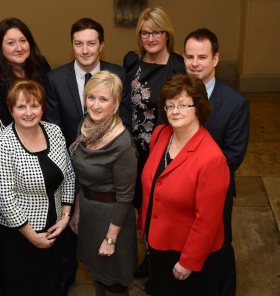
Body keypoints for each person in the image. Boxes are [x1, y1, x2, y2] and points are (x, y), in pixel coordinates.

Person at [43, 17, 131, 295]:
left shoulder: (119, 74)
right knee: (92, 265)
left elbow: (125, 193)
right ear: (72, 46)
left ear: (101, 45)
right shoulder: (57, 80)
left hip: (110, 189)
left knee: (113, 274)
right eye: (78, 44)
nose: (84, 50)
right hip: (80, 179)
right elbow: (56, 130)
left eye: (91, 43)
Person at [137, 73, 230, 296]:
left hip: (185, 252)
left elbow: (208, 221)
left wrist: (189, 261)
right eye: (169, 106)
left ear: (198, 107)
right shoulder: (161, 135)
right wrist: (145, 225)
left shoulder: (212, 159)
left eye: (182, 105)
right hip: (157, 242)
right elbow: (154, 186)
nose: (175, 111)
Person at [0, 79, 75, 296]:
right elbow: (5, 198)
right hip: (19, 235)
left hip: (54, 228)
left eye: (34, 105)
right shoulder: (3, 145)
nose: (28, 112)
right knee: (23, 287)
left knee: (51, 285)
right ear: (11, 110)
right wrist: (31, 235)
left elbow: (69, 175)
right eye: (21, 106)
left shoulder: (54, 132)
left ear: (42, 108)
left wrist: (65, 216)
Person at [122, 6, 186, 286]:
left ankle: (159, 265)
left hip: (165, 152)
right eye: (145, 32)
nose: (151, 37)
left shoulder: (179, 66)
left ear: (167, 33)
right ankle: (148, 256)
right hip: (135, 152)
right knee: (141, 208)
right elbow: (124, 105)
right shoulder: (131, 63)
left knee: (161, 211)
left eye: (156, 31)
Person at [183, 28, 250, 296]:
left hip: (214, 191)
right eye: (189, 57)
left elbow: (233, 155)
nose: (195, 63)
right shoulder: (175, 95)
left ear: (215, 59)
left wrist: (194, 180)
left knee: (218, 246)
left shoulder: (235, 103)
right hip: (178, 192)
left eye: (202, 57)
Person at [69, 70, 137, 296]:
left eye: (103, 99)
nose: (96, 105)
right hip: (89, 214)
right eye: (91, 97)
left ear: (116, 104)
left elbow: (125, 196)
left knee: (114, 284)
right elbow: (82, 178)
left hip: (112, 220)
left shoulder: (122, 144)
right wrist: (78, 211)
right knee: (98, 276)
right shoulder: (86, 126)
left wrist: (110, 238)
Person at [0, 17, 51, 126]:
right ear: (0, 47)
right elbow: (3, 122)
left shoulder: (41, 65)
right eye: (11, 43)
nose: (19, 48)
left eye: (23, 41)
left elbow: (50, 106)